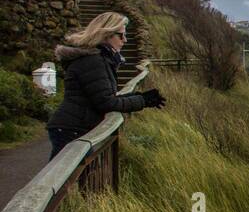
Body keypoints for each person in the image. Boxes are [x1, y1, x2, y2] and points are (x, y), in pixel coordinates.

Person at [46, 12, 166, 160]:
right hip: (72, 128)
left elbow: (105, 97)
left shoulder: (98, 59)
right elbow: (106, 103)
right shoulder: (93, 61)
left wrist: (140, 97)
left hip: (72, 127)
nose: (125, 40)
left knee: (70, 178)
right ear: (106, 35)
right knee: (62, 178)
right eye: (121, 35)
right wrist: (142, 101)